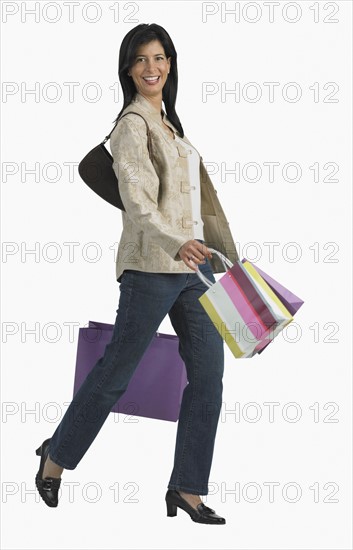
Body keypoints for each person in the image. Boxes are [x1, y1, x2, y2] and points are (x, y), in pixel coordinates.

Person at [34, 23, 239, 524]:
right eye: (142, 59)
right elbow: (138, 204)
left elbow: (194, 203)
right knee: (115, 374)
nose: (153, 68)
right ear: (128, 68)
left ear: (171, 64)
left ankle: (187, 489)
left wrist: (220, 253)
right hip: (151, 269)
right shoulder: (132, 125)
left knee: (209, 376)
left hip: (194, 269)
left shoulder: (171, 123)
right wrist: (180, 242)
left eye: (161, 57)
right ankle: (55, 457)